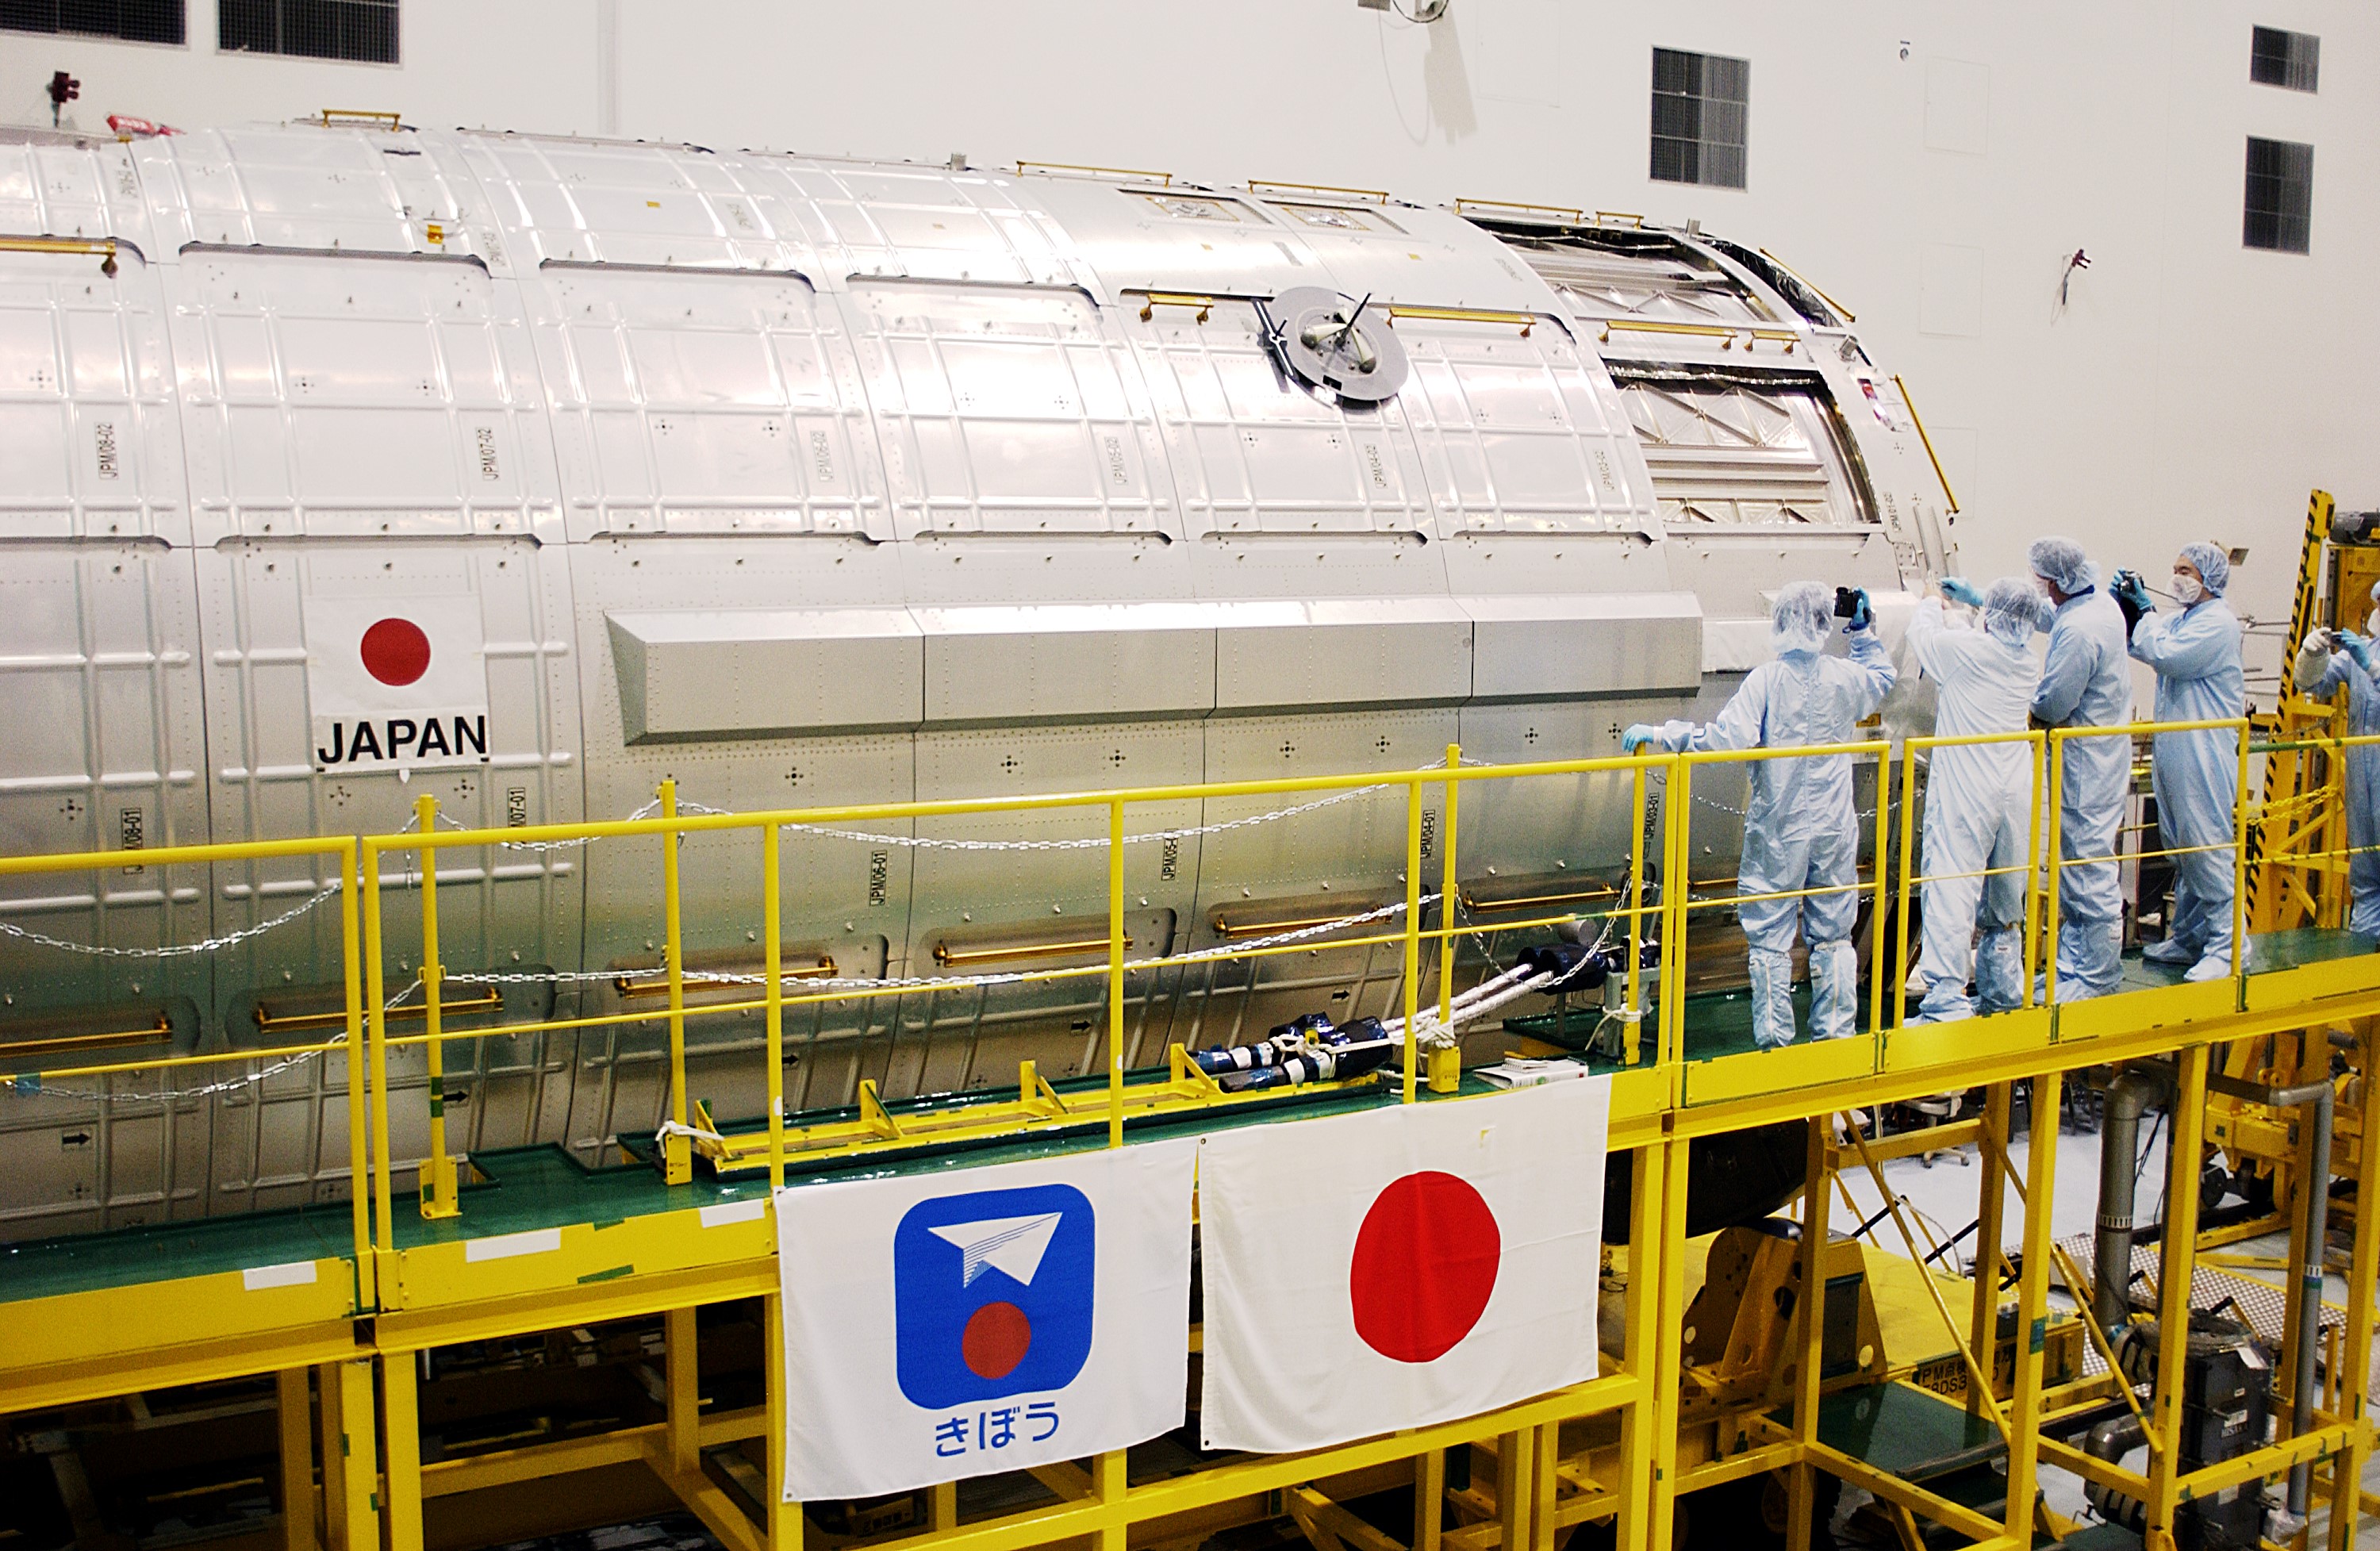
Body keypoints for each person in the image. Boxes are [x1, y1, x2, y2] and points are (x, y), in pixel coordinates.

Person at [1622, 582, 1896, 1049]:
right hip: (1833, 827)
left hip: (1781, 827)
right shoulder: (1843, 677)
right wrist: (1864, 632)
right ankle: (1836, 1040)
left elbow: (1725, 739)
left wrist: (1663, 733)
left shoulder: (1767, 681)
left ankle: (1776, 1047)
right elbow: (1881, 678)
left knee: (1770, 938)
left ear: (1782, 623)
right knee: (1834, 935)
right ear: (1822, 623)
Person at [1908, 576, 2045, 1021]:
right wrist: (1969, 606)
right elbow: (1984, 638)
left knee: (1951, 883)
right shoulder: (2028, 661)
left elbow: (1923, 638)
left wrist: (1932, 603)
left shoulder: (1966, 653)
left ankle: (1946, 998)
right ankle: (2003, 992)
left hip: (1968, 783)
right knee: (2006, 892)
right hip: (2014, 785)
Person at [2116, 543, 2247, 981]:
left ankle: (2230, 947)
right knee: (2182, 847)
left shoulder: (2219, 625)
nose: (2177, 577)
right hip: (2177, 747)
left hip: (2203, 750)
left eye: (2185, 570)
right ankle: (2192, 936)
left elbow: (2167, 654)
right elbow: (2145, 645)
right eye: (2173, 569)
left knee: (2204, 846)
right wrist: (2131, 612)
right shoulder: (2186, 619)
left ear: (2208, 578)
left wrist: (2146, 612)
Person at [2028, 536, 2133, 1000]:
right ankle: (2075, 963)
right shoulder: (2099, 606)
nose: (2042, 589)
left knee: (2085, 858)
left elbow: (2054, 702)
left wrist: (2028, 712)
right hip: (2100, 748)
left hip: (2085, 755)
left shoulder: (2079, 631)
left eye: (2043, 581)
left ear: (2057, 580)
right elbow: (2057, 617)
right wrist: (1979, 599)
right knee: (2078, 856)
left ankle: (2096, 972)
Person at [2292, 579, 2380, 938]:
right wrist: (2312, 655)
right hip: (2363, 780)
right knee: (2367, 875)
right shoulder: (2364, 651)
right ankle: (2364, 958)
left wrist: (2372, 669)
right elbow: (2313, 683)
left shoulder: (2366, 657)